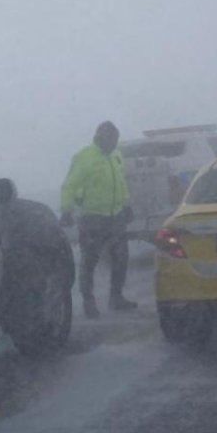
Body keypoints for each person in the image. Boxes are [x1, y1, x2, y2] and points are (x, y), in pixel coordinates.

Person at [60, 121, 137, 319]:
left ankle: (116, 297)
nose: (114, 143)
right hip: (92, 217)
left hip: (116, 216)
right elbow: (69, 185)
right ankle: (88, 302)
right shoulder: (84, 157)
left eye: (116, 140)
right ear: (100, 137)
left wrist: (126, 205)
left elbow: (120, 182)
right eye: (111, 139)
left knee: (120, 259)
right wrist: (66, 210)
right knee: (90, 261)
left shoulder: (116, 156)